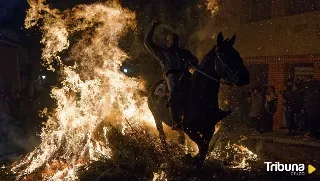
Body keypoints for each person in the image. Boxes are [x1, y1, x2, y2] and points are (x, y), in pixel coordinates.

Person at [144, 18, 198, 130]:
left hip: (185, 74)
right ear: (168, 42)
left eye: (177, 41)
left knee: (201, 86)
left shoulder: (184, 53)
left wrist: (193, 61)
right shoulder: (163, 53)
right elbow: (147, 42)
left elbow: (194, 60)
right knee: (174, 91)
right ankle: (176, 121)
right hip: (171, 75)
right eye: (173, 40)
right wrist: (153, 26)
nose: (175, 42)